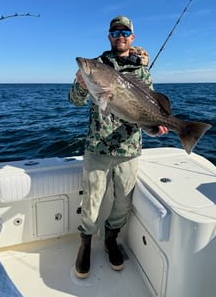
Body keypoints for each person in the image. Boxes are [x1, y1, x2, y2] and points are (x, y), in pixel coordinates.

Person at [68, 15, 168, 279]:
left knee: (123, 202)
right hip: (97, 147)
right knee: (91, 201)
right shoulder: (96, 66)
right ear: (109, 36)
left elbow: (146, 111)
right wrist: (81, 84)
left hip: (129, 149)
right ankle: (85, 243)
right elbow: (74, 101)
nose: (120, 36)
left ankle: (112, 240)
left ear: (132, 37)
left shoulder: (142, 71)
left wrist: (154, 127)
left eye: (125, 32)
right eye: (115, 32)